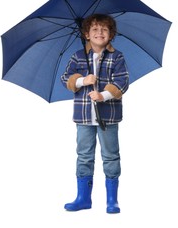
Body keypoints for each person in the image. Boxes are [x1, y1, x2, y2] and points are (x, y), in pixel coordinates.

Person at [61, 14, 129, 214]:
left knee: (110, 156)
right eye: (95, 30)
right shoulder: (78, 56)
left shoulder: (117, 57)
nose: (100, 33)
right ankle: (83, 198)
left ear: (111, 34)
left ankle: (112, 200)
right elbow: (66, 78)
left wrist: (103, 95)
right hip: (83, 117)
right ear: (86, 34)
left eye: (104, 30)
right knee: (84, 156)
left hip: (108, 116)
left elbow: (122, 81)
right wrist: (82, 80)